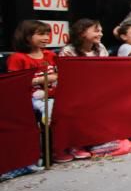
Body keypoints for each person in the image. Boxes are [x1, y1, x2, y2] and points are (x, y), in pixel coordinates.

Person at [9, 20, 88, 163]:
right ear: (27, 36)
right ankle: (55, 150)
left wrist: (54, 78)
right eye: (41, 34)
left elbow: (62, 74)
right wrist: (43, 79)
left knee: (76, 108)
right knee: (52, 113)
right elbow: (14, 82)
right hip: (33, 98)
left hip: (54, 94)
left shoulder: (50, 55)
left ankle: (72, 145)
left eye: (47, 34)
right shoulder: (17, 58)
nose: (46, 38)